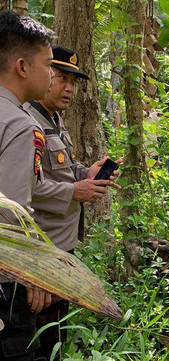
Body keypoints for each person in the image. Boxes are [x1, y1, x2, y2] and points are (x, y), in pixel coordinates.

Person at [24, 45, 120, 359]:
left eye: (73, 82)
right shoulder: (28, 124)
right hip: (42, 246)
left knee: (57, 330)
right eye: (61, 78)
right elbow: (23, 187)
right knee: (41, 336)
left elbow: (60, 168)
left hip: (62, 247)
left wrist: (85, 173)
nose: (68, 88)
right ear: (41, 74)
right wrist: (73, 191)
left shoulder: (54, 120)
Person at [0, 11, 55, 361]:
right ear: (22, 66)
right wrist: (32, 275)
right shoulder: (20, 125)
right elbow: (11, 213)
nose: (52, 74)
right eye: (48, 64)